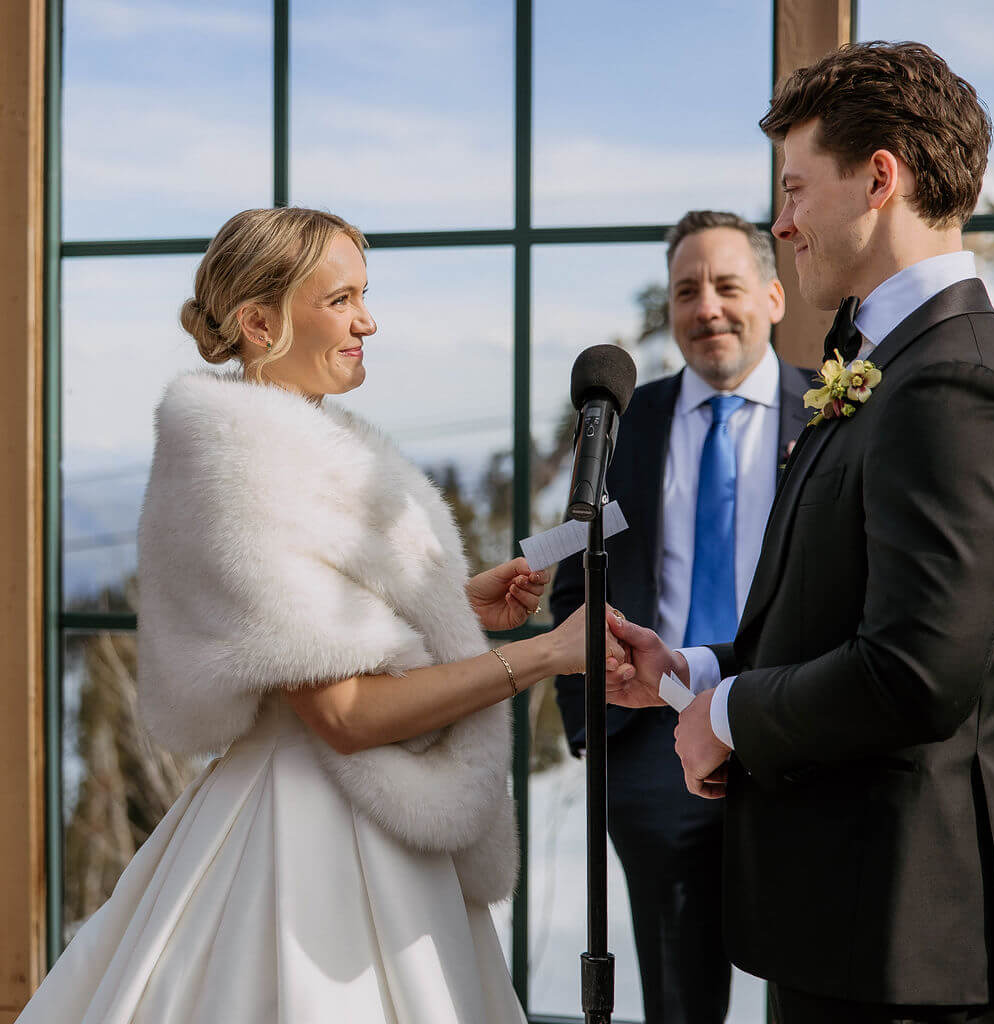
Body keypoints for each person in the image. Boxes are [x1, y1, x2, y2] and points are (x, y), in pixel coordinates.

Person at [16, 206, 630, 1024]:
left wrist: (447, 604)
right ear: (259, 320)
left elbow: (331, 628)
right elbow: (343, 714)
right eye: (341, 299)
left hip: (348, 804)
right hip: (314, 834)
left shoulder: (296, 443)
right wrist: (548, 655)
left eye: (363, 295)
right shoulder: (250, 471)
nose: (368, 320)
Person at [605, 41, 994, 1024]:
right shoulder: (889, 362)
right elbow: (840, 611)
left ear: (880, 178)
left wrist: (731, 715)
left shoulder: (953, 375)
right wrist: (694, 673)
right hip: (847, 924)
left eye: (795, 189)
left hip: (903, 936)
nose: (782, 223)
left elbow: (916, 670)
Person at [549, 210, 809, 1024]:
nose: (706, 308)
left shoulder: (838, 417)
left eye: (727, 286)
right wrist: (594, 732)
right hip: (652, 752)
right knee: (677, 1002)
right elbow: (566, 568)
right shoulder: (625, 428)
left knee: (816, 992)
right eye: (686, 291)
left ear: (771, 296)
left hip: (803, 735)